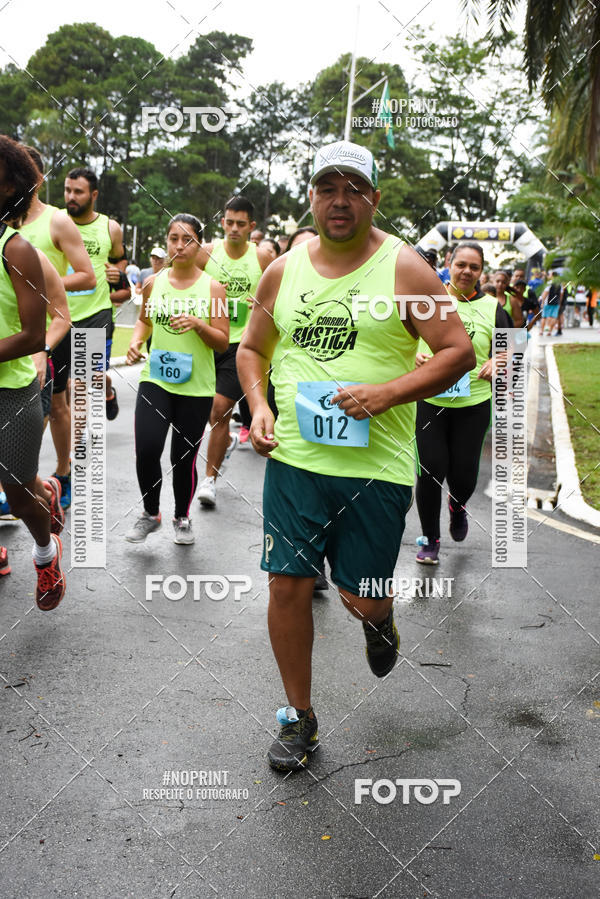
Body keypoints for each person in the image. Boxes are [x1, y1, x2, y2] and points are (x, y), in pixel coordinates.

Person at [237, 140, 474, 772]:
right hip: (294, 460)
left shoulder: (405, 268)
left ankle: (380, 621)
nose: (339, 202)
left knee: (360, 596)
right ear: (311, 196)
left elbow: (457, 350)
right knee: (286, 583)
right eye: (326, 188)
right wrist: (258, 407)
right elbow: (252, 349)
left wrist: (387, 393)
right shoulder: (283, 270)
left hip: (376, 469)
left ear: (374, 197)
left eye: (353, 189)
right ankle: (299, 718)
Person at [125, 214, 228, 544]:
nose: (180, 246)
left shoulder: (213, 288)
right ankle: (150, 513)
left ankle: (182, 518)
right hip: (155, 379)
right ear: (166, 241)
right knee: (147, 448)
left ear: (199, 244)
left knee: (181, 459)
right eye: (173, 238)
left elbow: (223, 341)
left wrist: (199, 324)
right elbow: (144, 321)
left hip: (195, 387)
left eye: (188, 240)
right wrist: (136, 340)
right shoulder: (154, 282)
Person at [414, 241, 513, 564]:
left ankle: (458, 506)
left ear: (481, 271)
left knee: (464, 475)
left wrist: (500, 361)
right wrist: (412, 354)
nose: (467, 272)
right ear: (448, 263)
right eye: (461, 265)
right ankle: (430, 540)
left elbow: (512, 348)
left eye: (474, 267)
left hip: (473, 404)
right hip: (431, 400)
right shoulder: (429, 302)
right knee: (431, 471)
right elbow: (402, 340)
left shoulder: (493, 309)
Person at [0, 135, 66, 608]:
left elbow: (32, 335)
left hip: (12, 392)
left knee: (20, 500)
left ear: (9, 188)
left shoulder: (17, 249)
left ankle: (46, 553)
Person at [196, 197, 271, 506]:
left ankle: (209, 480)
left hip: (240, 345)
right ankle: (223, 440)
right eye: (229, 222)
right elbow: (183, 278)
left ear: (252, 227)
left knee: (220, 408)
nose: (234, 229)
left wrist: (262, 306)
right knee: (207, 412)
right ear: (222, 222)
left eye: (242, 224)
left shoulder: (263, 258)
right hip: (208, 338)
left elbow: (278, 298)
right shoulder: (208, 254)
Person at [539, 272, 562, 336]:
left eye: (550, 275)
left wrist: (542, 302)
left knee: (544, 317)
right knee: (554, 317)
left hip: (547, 303)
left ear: (552, 276)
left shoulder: (549, 283)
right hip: (556, 303)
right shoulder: (560, 284)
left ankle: (541, 331)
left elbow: (545, 293)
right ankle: (550, 332)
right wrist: (559, 302)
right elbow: (561, 295)